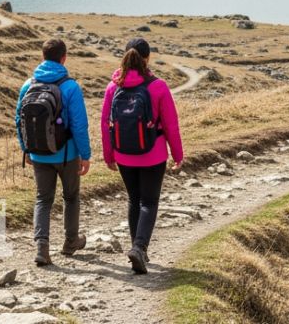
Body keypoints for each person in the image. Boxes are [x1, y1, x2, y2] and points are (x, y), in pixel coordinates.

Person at [101, 37, 183, 274]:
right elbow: (171, 125)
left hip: (124, 154)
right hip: (153, 154)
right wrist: (177, 154)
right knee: (149, 201)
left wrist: (109, 156)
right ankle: (139, 248)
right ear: (147, 59)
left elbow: (105, 123)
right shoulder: (158, 86)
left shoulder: (113, 86)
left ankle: (139, 250)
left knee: (133, 199)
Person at [16, 38, 91, 267]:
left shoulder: (28, 85)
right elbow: (79, 125)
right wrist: (85, 155)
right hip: (67, 154)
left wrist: (25, 148)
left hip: (38, 153)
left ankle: (42, 248)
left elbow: (19, 119)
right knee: (71, 197)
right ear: (64, 58)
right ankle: (70, 242)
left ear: (43, 57)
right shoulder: (70, 87)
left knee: (43, 199)